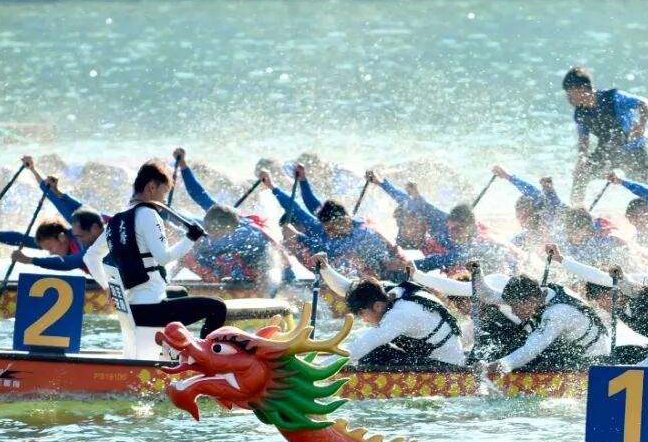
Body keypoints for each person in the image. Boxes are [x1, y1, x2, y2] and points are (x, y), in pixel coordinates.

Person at [84, 160, 227, 338]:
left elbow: (90, 257)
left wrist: (107, 287)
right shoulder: (149, 214)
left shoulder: (116, 220)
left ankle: (173, 347)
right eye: (164, 191)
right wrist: (190, 238)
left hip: (131, 308)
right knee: (217, 307)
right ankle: (202, 354)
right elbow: (163, 258)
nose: (164, 199)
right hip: (151, 309)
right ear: (151, 187)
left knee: (179, 293)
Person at [313, 254, 466, 369]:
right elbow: (347, 289)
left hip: (447, 367)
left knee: (373, 354)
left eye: (362, 314)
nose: (363, 319)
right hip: (430, 357)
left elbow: (360, 347)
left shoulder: (400, 315)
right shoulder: (385, 292)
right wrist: (325, 268)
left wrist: (319, 369)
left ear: (377, 306)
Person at [173, 148, 293, 286]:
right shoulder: (219, 214)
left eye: (214, 232)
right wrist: (183, 165)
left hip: (267, 269)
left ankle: (240, 289)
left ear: (228, 229)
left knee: (227, 261)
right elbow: (198, 194)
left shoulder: (248, 235)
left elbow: (277, 263)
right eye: (209, 230)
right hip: (241, 264)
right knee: (189, 253)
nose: (210, 234)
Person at [260, 169, 397, 279]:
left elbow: (330, 249)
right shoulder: (326, 227)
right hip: (339, 267)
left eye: (331, 228)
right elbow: (298, 209)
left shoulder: (363, 232)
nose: (329, 233)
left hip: (374, 276)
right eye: (326, 228)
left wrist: (299, 237)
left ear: (344, 220)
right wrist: (274, 186)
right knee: (291, 233)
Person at [483, 273, 610, 375]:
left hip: (591, 362)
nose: (513, 312)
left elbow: (531, 350)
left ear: (529, 300)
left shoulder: (556, 313)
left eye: (515, 306)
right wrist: (477, 274)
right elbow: (488, 296)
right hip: (575, 353)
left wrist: (496, 366)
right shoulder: (545, 292)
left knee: (527, 356)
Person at [563, 66, 648, 205]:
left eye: (570, 93)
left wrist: (641, 126)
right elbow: (583, 141)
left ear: (583, 89)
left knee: (642, 191)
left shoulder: (613, 97)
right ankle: (576, 211)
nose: (568, 98)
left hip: (632, 150)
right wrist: (582, 157)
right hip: (607, 152)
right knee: (581, 174)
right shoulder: (580, 114)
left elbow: (644, 104)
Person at [0, 218, 87, 272]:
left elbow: (67, 264)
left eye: (51, 248)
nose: (51, 253)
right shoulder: (61, 242)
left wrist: (30, 260)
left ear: (62, 237)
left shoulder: (82, 241)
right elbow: (21, 240)